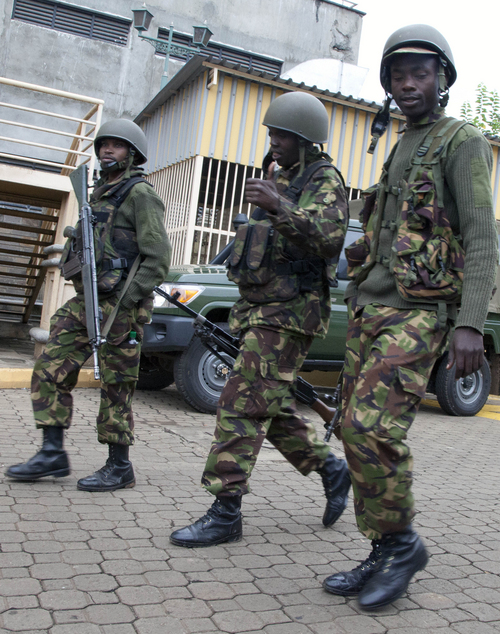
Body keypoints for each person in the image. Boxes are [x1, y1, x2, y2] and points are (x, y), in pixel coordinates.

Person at [322, 24, 498, 609]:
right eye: (398, 75)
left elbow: (481, 236)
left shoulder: (462, 141)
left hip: (418, 313)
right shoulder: (402, 144)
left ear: (442, 78)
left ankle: (402, 547)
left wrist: (470, 323)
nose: (407, 84)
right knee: (351, 429)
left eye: (420, 73)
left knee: (372, 428)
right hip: (371, 307)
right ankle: (382, 547)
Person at [169, 91, 351, 548]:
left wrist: (277, 204)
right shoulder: (279, 176)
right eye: (271, 134)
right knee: (267, 404)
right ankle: (331, 468)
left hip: (290, 313)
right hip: (259, 308)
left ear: (305, 139)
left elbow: (330, 238)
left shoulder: (323, 178)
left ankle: (225, 510)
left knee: (240, 404)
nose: (274, 142)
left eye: (283, 136)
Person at [5, 119, 171, 492]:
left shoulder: (139, 195)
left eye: (117, 145)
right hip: (87, 302)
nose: (107, 149)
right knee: (49, 366)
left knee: (117, 384)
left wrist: (127, 300)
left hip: (121, 307)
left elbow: (158, 258)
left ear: (133, 154)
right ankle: (52, 452)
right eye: (103, 144)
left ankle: (119, 466)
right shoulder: (96, 194)